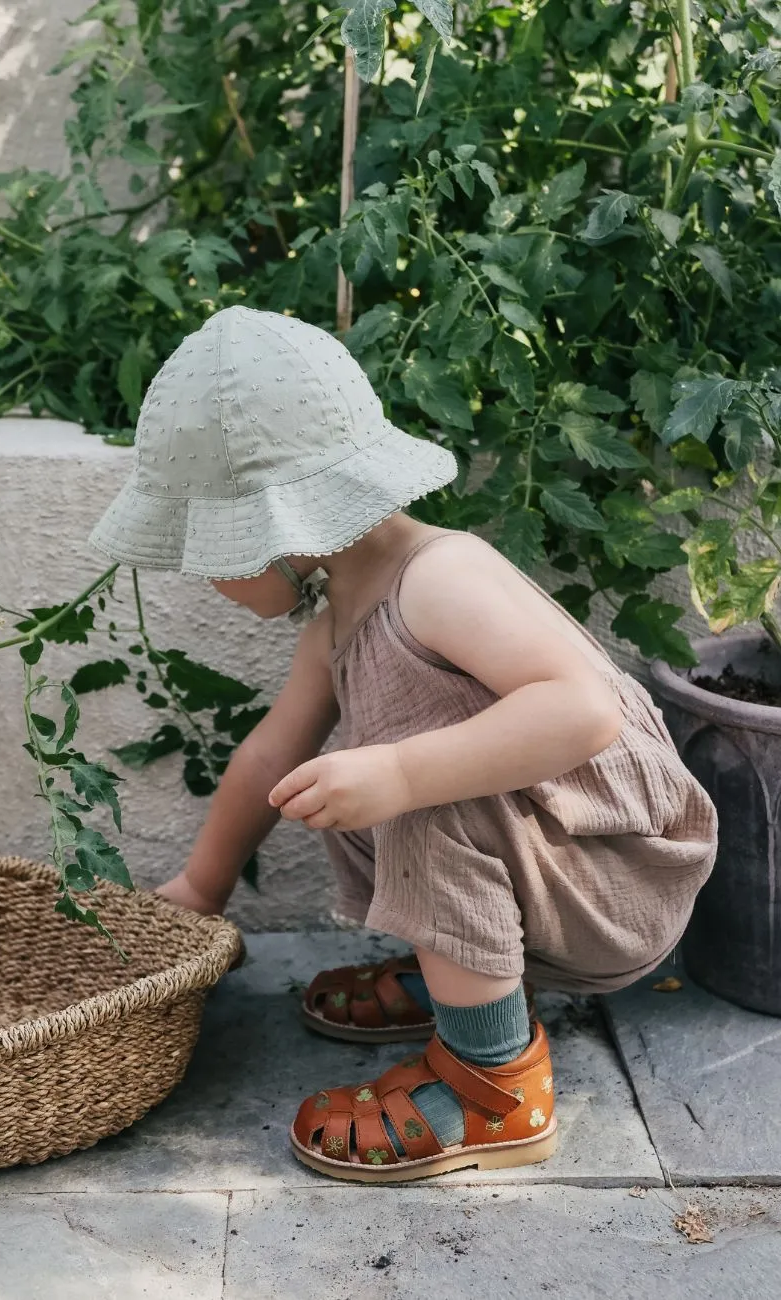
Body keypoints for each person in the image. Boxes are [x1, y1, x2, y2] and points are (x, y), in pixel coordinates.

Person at [89, 304, 717, 1183]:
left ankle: (496, 1084)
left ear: (284, 528)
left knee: (415, 789)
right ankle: (462, 976)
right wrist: (201, 885)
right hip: (553, 871)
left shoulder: (438, 579)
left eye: (205, 548)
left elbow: (582, 710)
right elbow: (270, 756)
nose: (200, 572)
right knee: (330, 784)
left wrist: (399, 773)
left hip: (617, 878)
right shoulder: (340, 611)